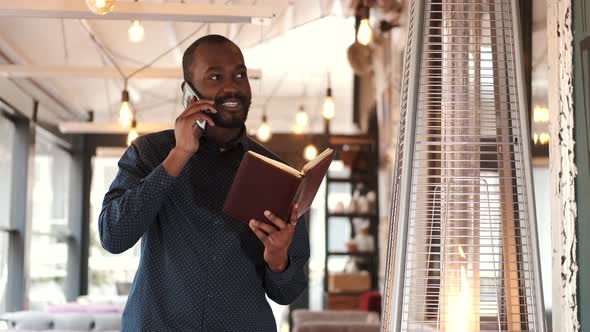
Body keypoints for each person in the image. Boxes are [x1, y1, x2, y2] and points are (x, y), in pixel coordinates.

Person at [99, 34, 310, 332]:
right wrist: (178, 156)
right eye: (215, 76)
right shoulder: (149, 153)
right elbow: (113, 236)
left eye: (240, 74)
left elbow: (287, 292)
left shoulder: (277, 176)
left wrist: (278, 259)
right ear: (189, 91)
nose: (232, 85)